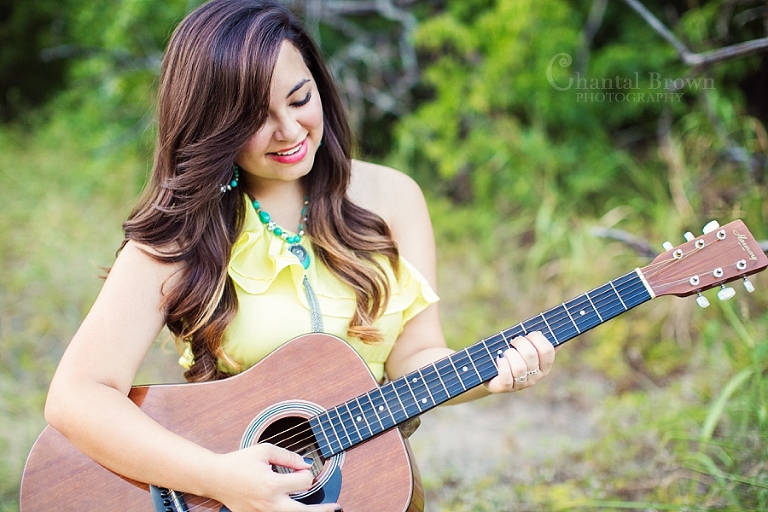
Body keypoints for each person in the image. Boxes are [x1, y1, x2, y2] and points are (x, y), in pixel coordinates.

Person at [43, 1, 556, 511]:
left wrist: (495, 372)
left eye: (299, 98)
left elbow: (414, 363)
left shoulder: (394, 198)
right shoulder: (183, 234)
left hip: (367, 486)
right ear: (211, 127)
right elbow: (75, 396)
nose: (289, 130)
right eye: (254, 118)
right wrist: (219, 478)